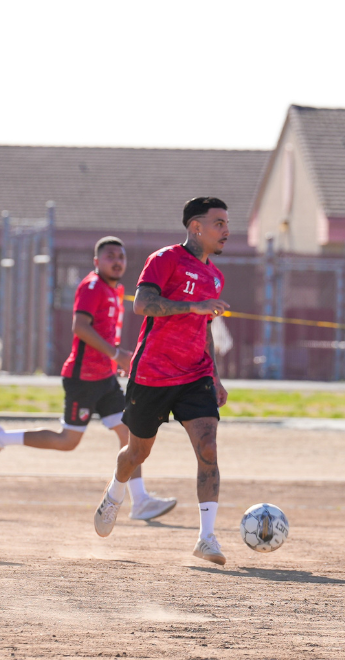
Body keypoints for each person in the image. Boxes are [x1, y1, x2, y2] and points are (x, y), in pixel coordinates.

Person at [0, 236, 177, 521]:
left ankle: (140, 500)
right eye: (110, 256)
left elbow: (105, 331)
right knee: (68, 441)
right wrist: (117, 354)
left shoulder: (115, 290)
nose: (117, 261)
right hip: (83, 379)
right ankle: (1, 437)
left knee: (129, 435)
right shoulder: (92, 286)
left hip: (105, 378)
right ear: (97, 261)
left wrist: (114, 359)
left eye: (121, 256)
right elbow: (80, 327)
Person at [92, 197, 231, 565]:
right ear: (196, 227)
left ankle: (207, 538)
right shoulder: (164, 259)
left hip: (195, 375)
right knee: (137, 452)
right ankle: (116, 493)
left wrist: (214, 375)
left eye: (226, 224)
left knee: (209, 449)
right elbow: (142, 304)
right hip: (152, 373)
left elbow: (206, 330)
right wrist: (193, 306)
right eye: (219, 223)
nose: (226, 231)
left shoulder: (215, 275)